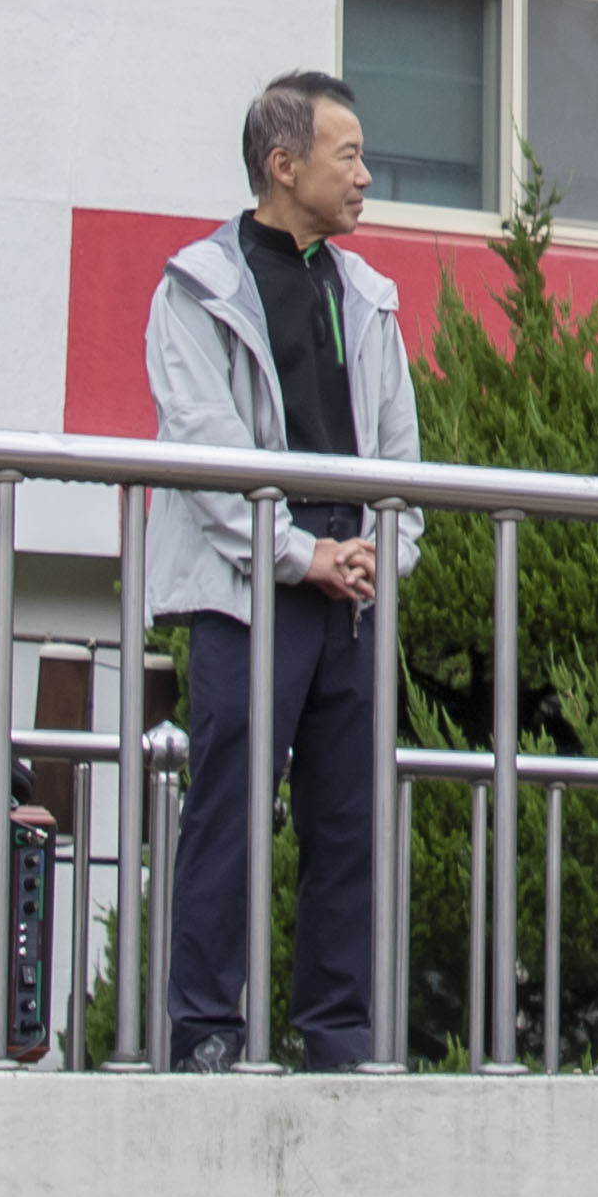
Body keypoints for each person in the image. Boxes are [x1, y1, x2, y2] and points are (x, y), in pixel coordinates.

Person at [146, 69, 422, 1070]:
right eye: (348, 157)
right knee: (229, 811)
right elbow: (207, 456)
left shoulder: (368, 295)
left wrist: (382, 552)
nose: (365, 177)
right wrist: (303, 557)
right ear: (284, 165)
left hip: (352, 585)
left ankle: (339, 1037)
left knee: (349, 821)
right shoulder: (195, 289)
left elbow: (401, 455)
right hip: (250, 589)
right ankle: (204, 1033)